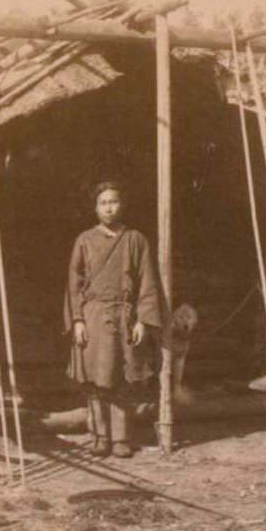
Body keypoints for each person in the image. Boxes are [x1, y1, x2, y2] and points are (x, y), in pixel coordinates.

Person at [64, 181, 163, 458]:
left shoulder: (135, 240)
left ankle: (121, 438)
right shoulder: (84, 240)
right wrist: (78, 320)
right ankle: (99, 435)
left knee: (123, 376)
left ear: (123, 204)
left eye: (114, 201)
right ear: (95, 208)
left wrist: (143, 319)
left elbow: (147, 281)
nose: (109, 207)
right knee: (97, 379)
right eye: (103, 203)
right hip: (94, 315)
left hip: (126, 316)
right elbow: (74, 283)